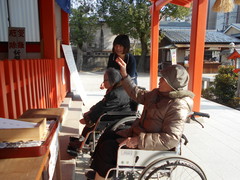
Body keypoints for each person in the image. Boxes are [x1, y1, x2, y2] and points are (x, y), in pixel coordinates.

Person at [86, 58, 195, 180]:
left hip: (149, 145)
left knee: (109, 148)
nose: (160, 79)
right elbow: (136, 93)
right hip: (140, 133)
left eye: (163, 78)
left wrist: (138, 140)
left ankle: (102, 174)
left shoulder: (177, 105)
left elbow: (171, 138)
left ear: (172, 84)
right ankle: (100, 172)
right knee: (107, 134)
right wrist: (125, 75)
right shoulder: (157, 94)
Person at [67, 68, 131, 154]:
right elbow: (102, 104)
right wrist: (91, 110)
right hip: (116, 112)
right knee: (92, 117)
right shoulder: (117, 89)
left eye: (105, 80)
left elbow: (103, 109)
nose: (103, 83)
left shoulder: (115, 94)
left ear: (112, 80)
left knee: (95, 121)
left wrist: (88, 118)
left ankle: (83, 143)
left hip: (117, 116)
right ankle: (83, 140)